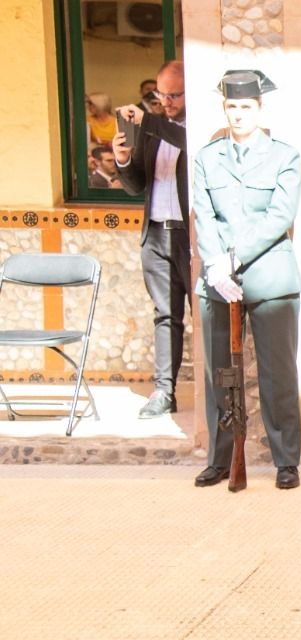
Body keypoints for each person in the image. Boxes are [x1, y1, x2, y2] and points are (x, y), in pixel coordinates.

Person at [189, 70, 301, 490]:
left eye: (245, 107)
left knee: (278, 373)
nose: (237, 114)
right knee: (219, 372)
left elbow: (279, 217)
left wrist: (233, 258)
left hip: (270, 276)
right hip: (218, 278)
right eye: (231, 107)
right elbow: (204, 215)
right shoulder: (207, 157)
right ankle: (221, 459)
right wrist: (216, 265)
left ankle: (286, 460)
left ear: (260, 109)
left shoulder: (284, 156)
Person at [113, 60, 190, 419]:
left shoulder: (198, 126)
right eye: (161, 94)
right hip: (156, 232)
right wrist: (123, 158)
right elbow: (136, 186)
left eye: (174, 94)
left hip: (191, 237)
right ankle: (164, 391)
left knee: (209, 317)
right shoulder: (151, 127)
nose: (167, 101)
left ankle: (217, 390)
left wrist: (149, 121)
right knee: (165, 315)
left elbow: (185, 141)